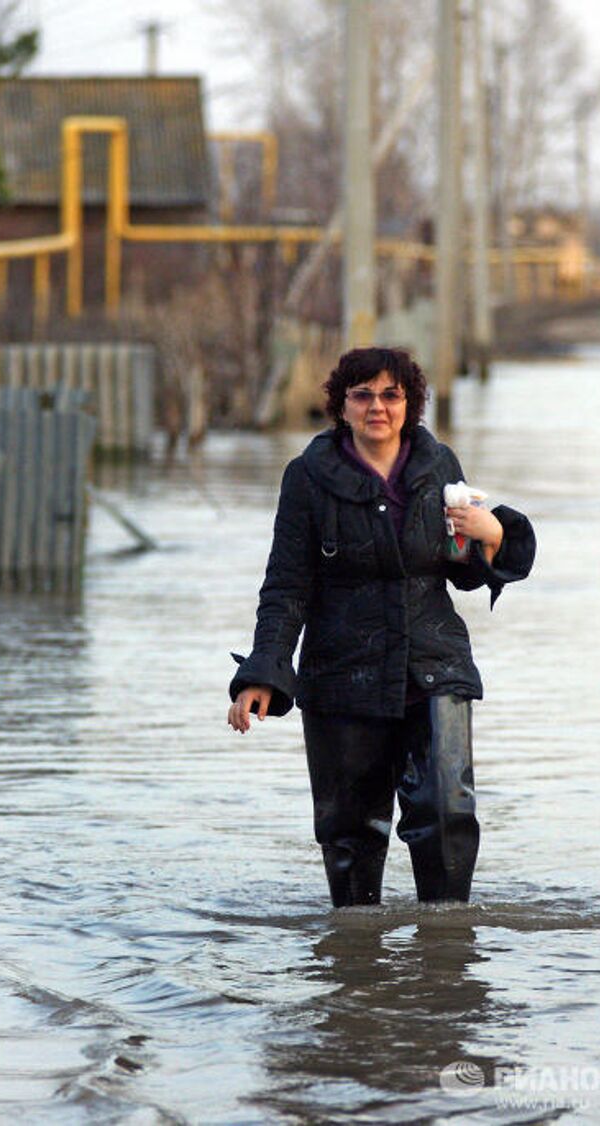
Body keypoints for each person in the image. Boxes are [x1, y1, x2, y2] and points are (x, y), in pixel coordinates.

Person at [227, 347, 535, 908]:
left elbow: (460, 569)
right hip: (343, 671)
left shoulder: (439, 466)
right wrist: (263, 673)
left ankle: (445, 953)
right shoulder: (307, 477)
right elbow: (286, 586)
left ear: (410, 404)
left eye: (391, 395)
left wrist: (491, 534)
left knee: (447, 812)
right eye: (363, 395)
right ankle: (355, 962)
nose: (378, 407)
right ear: (341, 406)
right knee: (350, 830)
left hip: (433, 664)